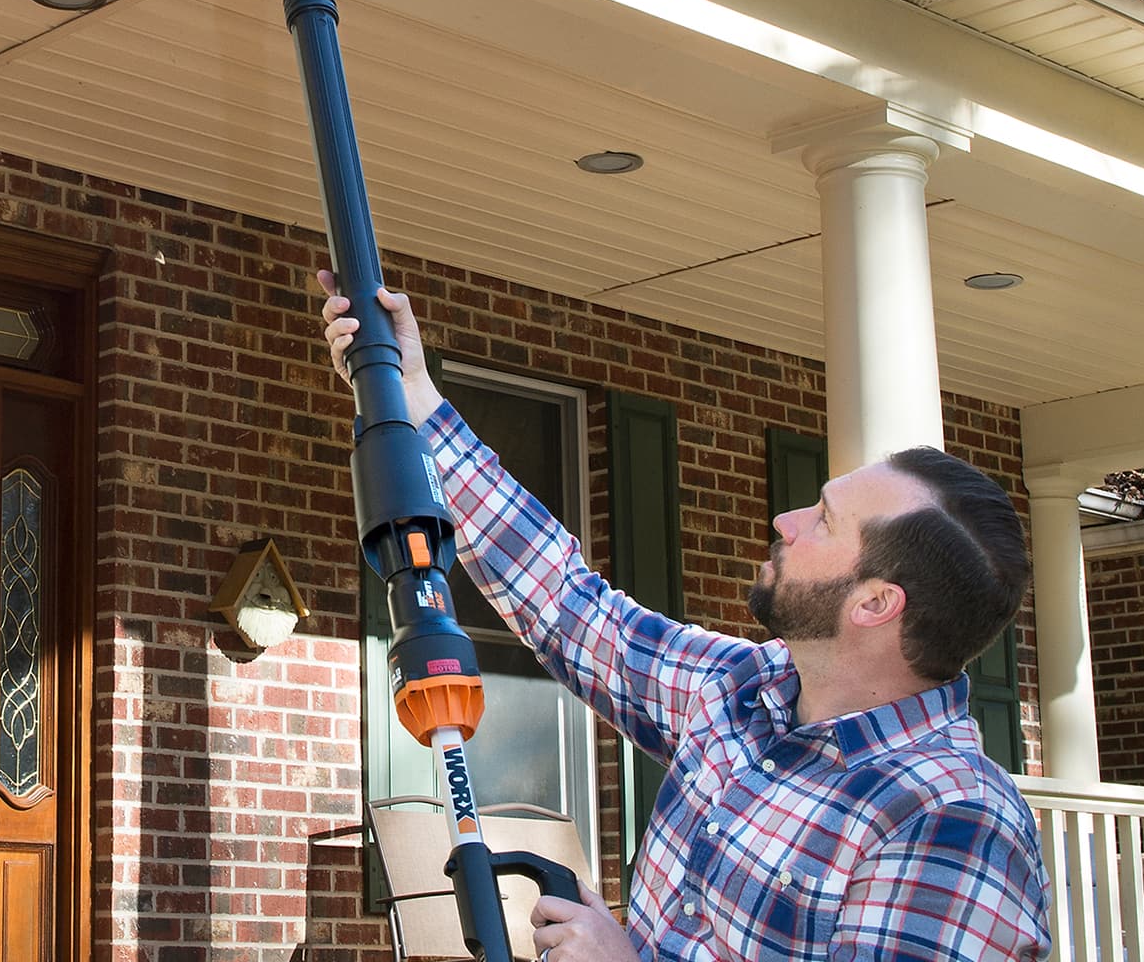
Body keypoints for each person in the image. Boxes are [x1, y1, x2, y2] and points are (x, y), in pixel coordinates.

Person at [320, 273, 1051, 961]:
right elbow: (570, 607)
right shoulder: (740, 691)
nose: (786, 519)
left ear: (874, 603)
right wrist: (413, 398)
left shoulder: (953, 821)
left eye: (825, 522)